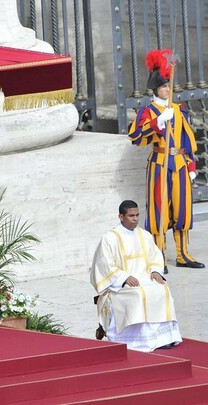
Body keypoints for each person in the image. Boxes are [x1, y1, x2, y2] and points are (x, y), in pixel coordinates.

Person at [128, 48, 204, 272]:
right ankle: (158, 256)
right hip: (160, 164)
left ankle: (183, 254)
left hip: (179, 165)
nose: (167, 89)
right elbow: (136, 137)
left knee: (182, 209)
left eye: (168, 85)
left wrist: (191, 165)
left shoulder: (179, 111)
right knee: (159, 210)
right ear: (155, 88)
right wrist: (158, 122)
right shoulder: (148, 111)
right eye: (163, 86)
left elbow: (188, 142)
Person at [90, 200, 182, 352]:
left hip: (145, 278)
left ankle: (162, 338)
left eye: (137, 215)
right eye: (131, 216)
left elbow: (155, 256)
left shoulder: (144, 235)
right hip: (120, 284)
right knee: (140, 294)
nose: (135, 219)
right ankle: (141, 339)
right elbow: (104, 265)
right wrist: (124, 277)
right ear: (121, 216)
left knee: (162, 290)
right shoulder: (110, 238)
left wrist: (155, 271)